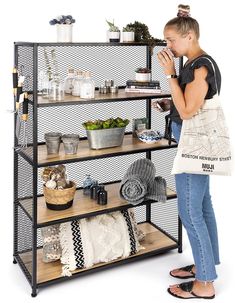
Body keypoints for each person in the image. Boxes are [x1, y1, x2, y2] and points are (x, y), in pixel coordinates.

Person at [156, 4, 221, 300]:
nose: (168, 46)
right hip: (195, 138)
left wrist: (170, 76)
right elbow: (187, 106)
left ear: (190, 37)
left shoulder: (200, 66)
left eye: (171, 40)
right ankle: (204, 265)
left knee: (189, 210)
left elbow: (188, 109)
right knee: (202, 204)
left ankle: (205, 283)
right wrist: (170, 107)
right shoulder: (192, 63)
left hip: (194, 143)